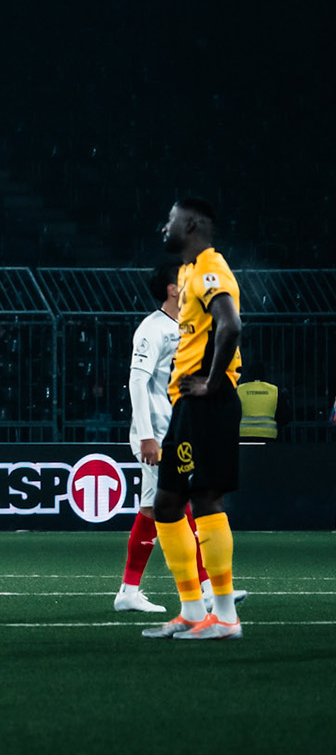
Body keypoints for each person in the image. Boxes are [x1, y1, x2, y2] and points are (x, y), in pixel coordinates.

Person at [142, 199, 246, 641]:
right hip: (187, 405)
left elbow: (231, 325)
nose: (164, 226)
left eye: (169, 220)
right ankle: (191, 609)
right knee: (167, 504)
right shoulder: (185, 272)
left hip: (208, 402)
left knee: (204, 500)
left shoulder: (209, 267)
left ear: (190, 224)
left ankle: (224, 618)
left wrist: (211, 381)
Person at [115, 261, 211, 614]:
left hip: (173, 430)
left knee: (152, 509)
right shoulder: (151, 329)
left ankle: (128, 591)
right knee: (182, 505)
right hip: (156, 435)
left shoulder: (184, 327)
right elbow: (136, 381)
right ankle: (205, 587)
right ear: (172, 289)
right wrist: (145, 436)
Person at [235, 362, 287, 440]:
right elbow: (285, 415)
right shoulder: (275, 390)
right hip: (269, 435)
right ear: (265, 374)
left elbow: (230, 412)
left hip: (243, 434)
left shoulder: (238, 390)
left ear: (248, 374)